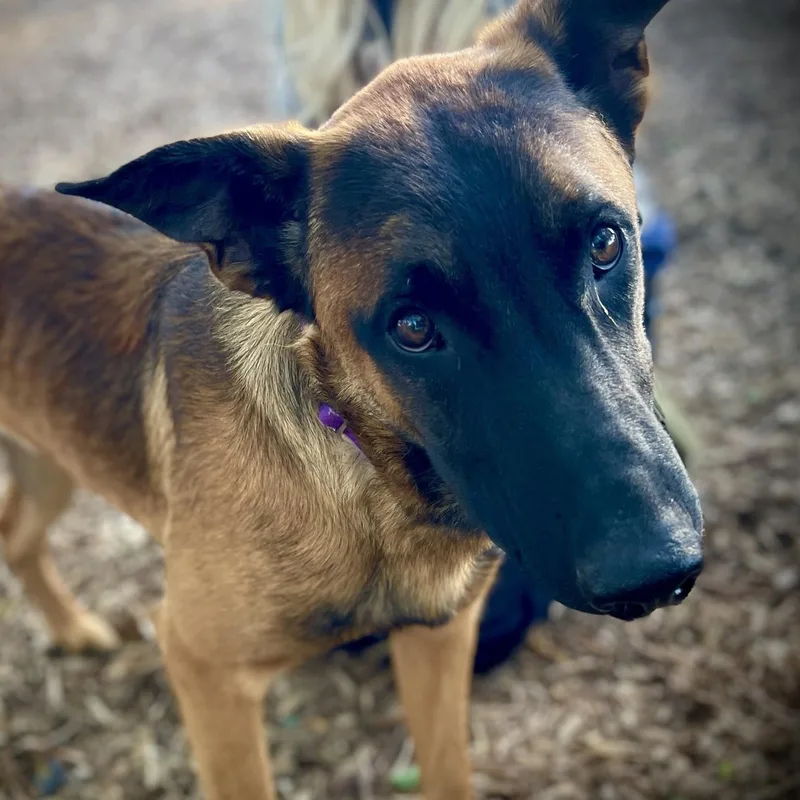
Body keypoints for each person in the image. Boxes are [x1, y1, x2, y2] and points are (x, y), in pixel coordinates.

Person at [268, 0, 697, 673]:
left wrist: (607, 252)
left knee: (484, 630)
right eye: (412, 324)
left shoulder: (546, 43)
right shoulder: (303, 13)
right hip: (468, 312)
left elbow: (581, 198)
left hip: (582, 291)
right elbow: (300, 149)